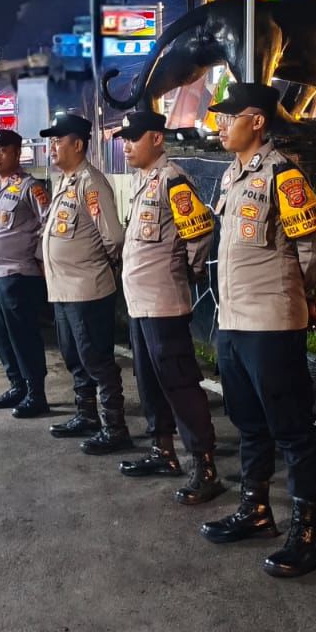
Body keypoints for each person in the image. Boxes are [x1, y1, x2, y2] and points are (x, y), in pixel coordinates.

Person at [198, 83, 316, 578]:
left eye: (229, 116)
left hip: (271, 323)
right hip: (233, 323)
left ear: (256, 121)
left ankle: (306, 532)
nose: (220, 125)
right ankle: (255, 509)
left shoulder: (283, 175)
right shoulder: (231, 176)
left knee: (293, 429)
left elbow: (313, 247)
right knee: (249, 423)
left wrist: (297, 292)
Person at [110, 110, 225, 506]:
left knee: (179, 384)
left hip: (163, 303)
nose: (127, 146)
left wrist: (187, 272)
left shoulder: (173, 180)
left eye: (134, 138)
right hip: (140, 304)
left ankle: (204, 466)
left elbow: (200, 234)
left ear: (156, 139)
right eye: (125, 139)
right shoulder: (144, 180)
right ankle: (162, 450)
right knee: (148, 381)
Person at [38, 113, 130, 454]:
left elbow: (114, 238)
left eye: (58, 141)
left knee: (96, 359)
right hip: (64, 290)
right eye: (51, 141)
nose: (52, 147)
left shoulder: (91, 184)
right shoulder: (66, 181)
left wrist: (99, 267)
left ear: (77, 144)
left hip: (87, 289)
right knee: (74, 357)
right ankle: (87, 414)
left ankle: (115, 427)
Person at [0, 128, 52, 419]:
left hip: (17, 274)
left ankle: (36, 393)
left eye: (2, 150)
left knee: (23, 336)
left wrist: (40, 259)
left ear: (17, 153)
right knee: (1, 335)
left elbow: (48, 223)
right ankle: (17, 385)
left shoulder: (30, 187)